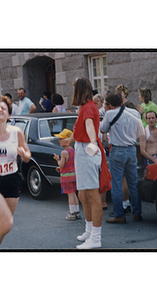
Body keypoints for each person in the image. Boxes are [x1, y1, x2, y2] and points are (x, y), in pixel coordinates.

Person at [61, 77, 105, 249]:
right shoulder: (87, 107)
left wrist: (93, 141)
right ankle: (89, 231)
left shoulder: (87, 108)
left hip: (87, 151)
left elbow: (89, 127)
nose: (72, 91)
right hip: (84, 148)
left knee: (92, 196)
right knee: (83, 195)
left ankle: (95, 237)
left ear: (79, 89)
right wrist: (70, 140)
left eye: (74, 88)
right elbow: (81, 128)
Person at [100, 91, 142, 224]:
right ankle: (137, 212)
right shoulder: (134, 112)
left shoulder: (110, 113)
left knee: (116, 183)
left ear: (110, 104)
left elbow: (103, 129)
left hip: (118, 149)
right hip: (131, 148)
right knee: (133, 183)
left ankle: (119, 214)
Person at [0, 95, 31, 249]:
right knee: (6, 223)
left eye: (3, 108)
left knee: (1, 225)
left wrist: (24, 155)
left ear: (9, 114)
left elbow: (28, 156)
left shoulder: (17, 132)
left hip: (12, 180)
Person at [53, 129, 81, 221]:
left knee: (70, 195)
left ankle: (71, 213)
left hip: (66, 177)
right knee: (74, 194)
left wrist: (57, 159)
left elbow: (62, 164)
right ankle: (77, 212)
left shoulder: (64, 152)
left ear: (66, 140)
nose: (59, 141)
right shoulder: (73, 150)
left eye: (61, 139)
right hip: (74, 175)